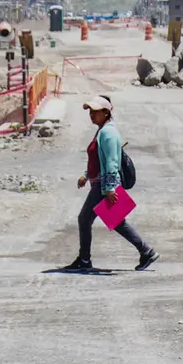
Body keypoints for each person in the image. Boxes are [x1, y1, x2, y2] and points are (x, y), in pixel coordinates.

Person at [63, 95, 159, 273]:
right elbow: (99, 158)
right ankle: (146, 251)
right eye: (90, 111)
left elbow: (112, 162)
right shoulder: (103, 130)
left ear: (106, 112)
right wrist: (86, 175)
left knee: (84, 219)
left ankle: (84, 259)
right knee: (116, 221)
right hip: (100, 183)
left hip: (103, 186)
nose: (91, 114)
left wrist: (109, 188)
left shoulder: (108, 132)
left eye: (95, 111)